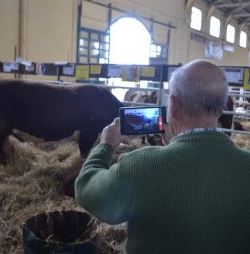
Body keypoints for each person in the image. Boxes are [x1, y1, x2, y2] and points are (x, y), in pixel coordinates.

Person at [75, 60, 250, 254]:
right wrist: (175, 147)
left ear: (173, 105)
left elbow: (87, 191)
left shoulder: (140, 166)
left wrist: (105, 146)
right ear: (220, 107)